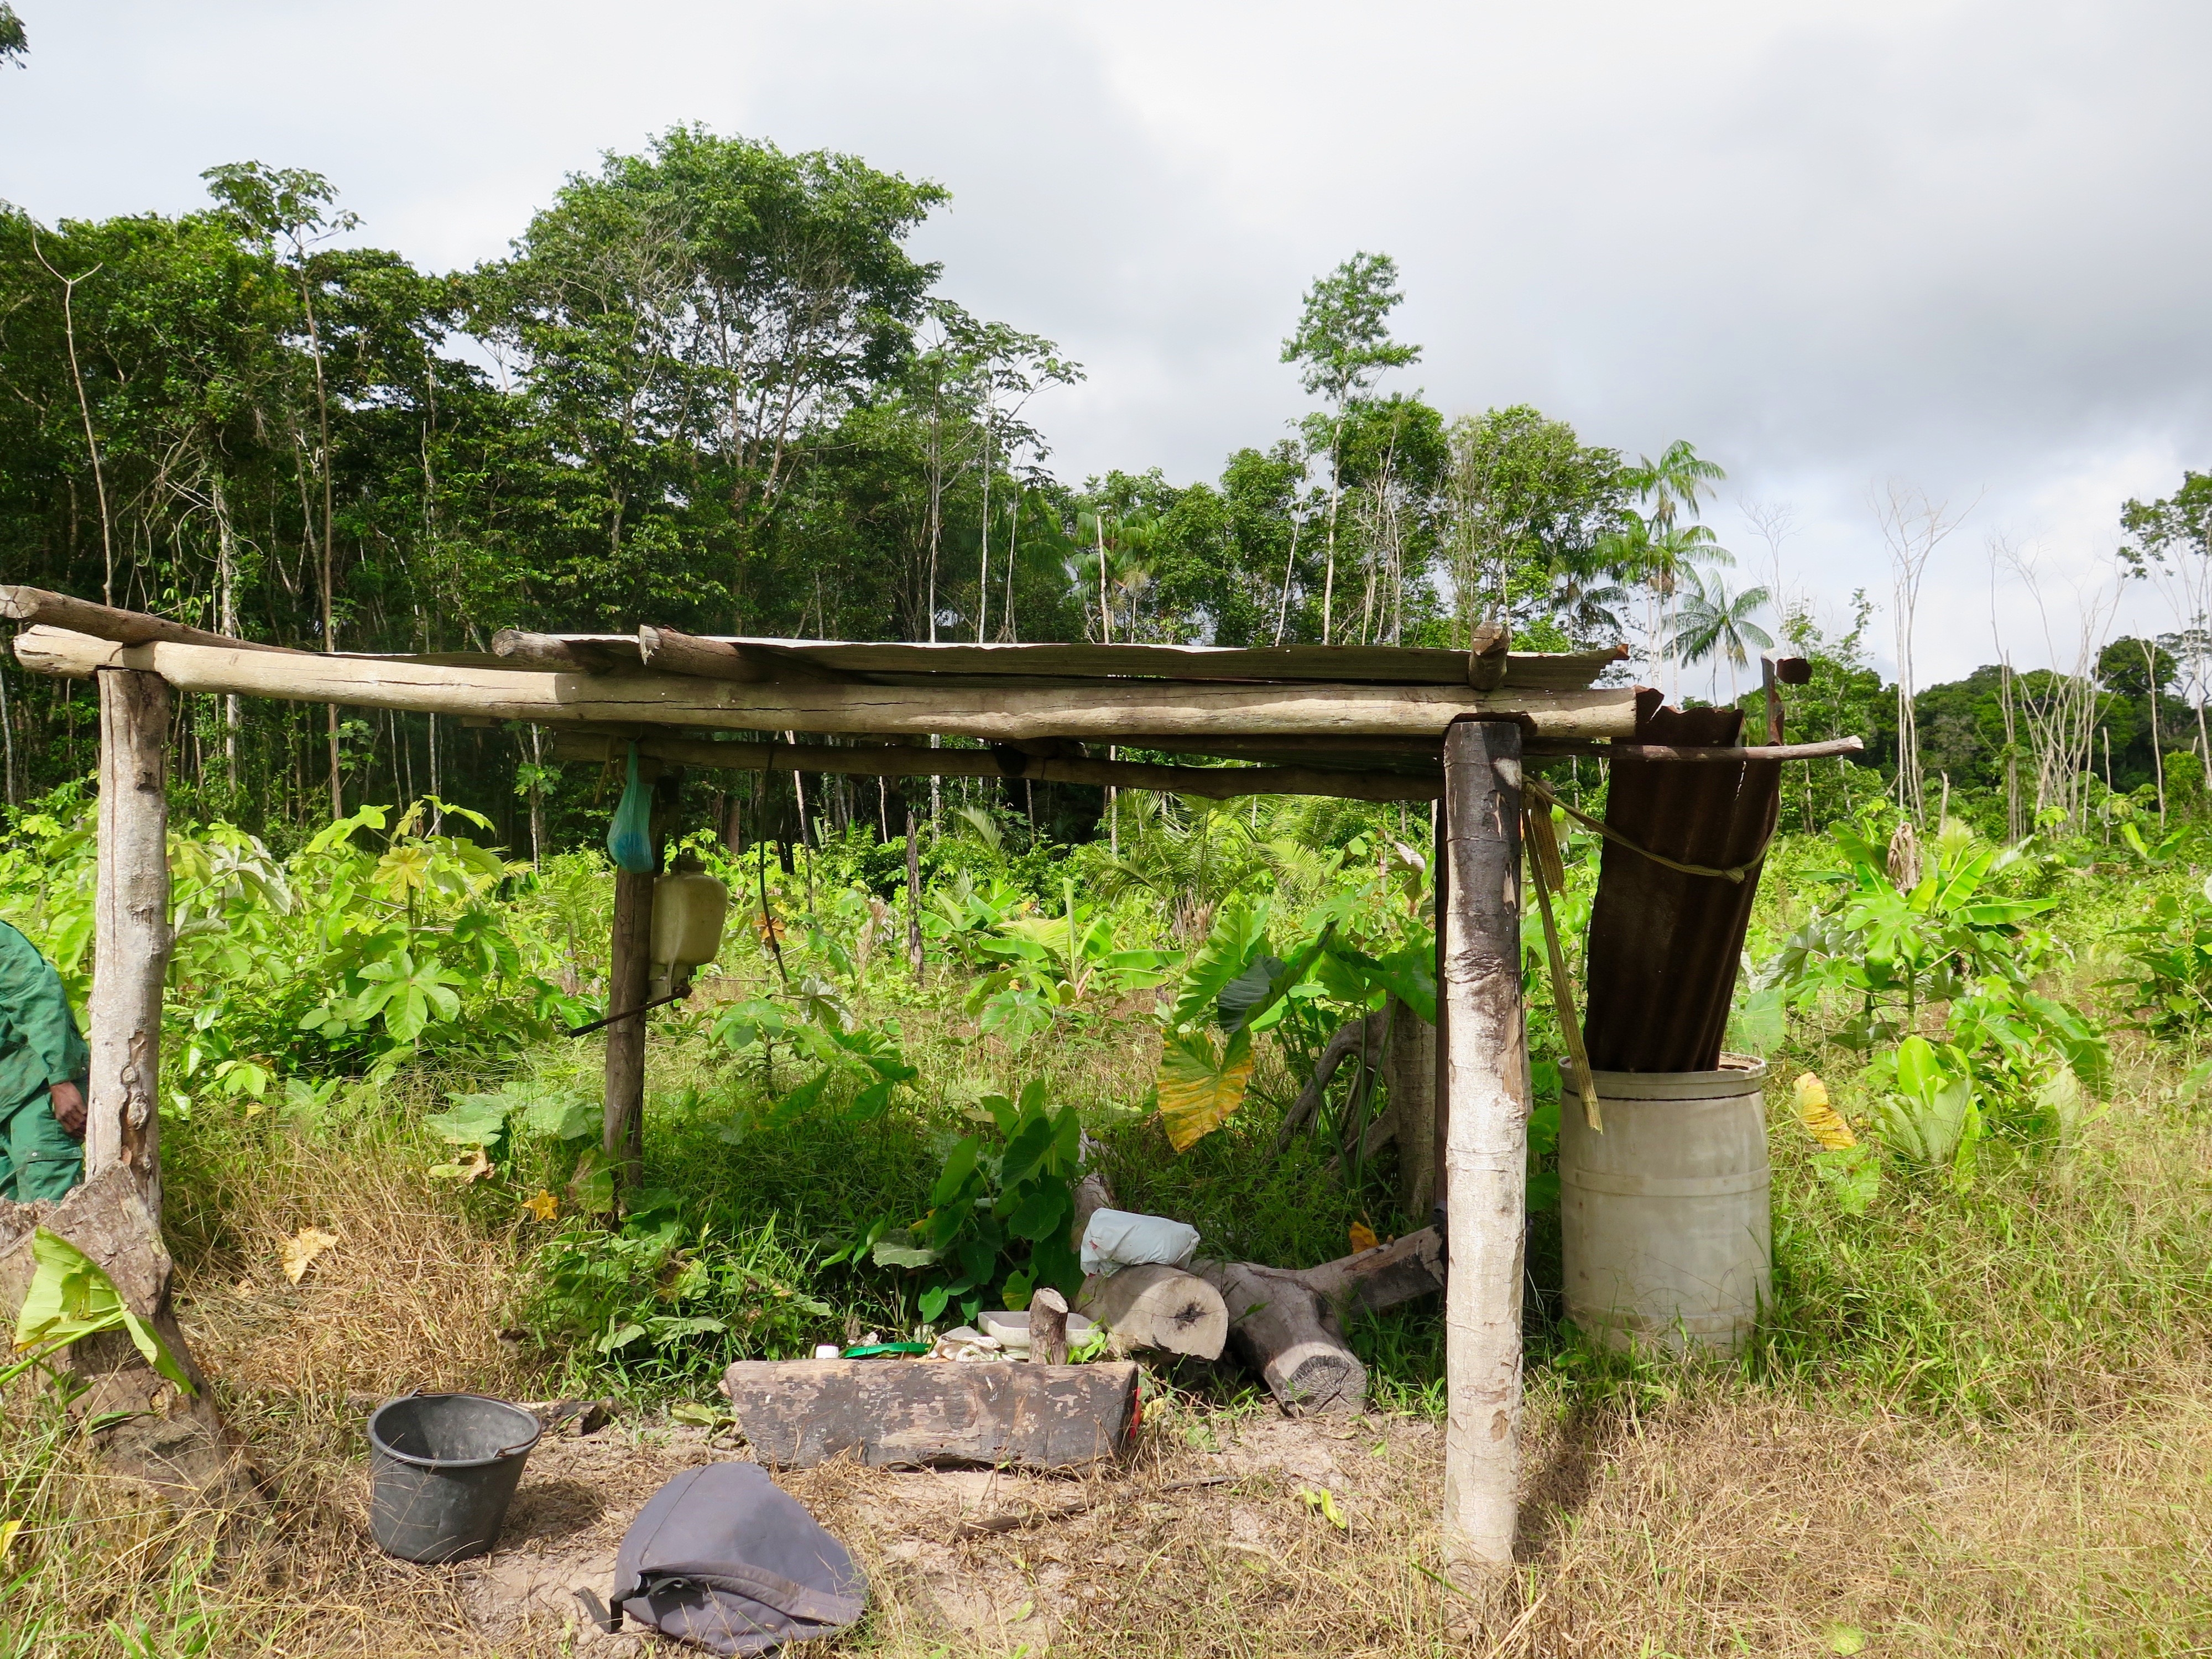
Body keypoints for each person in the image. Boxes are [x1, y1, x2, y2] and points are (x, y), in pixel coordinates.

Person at [0, 918, 88, 1204]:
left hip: (36, 1088)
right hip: (4, 1099)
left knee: (51, 1214)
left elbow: (40, 1002)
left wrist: (61, 1080)